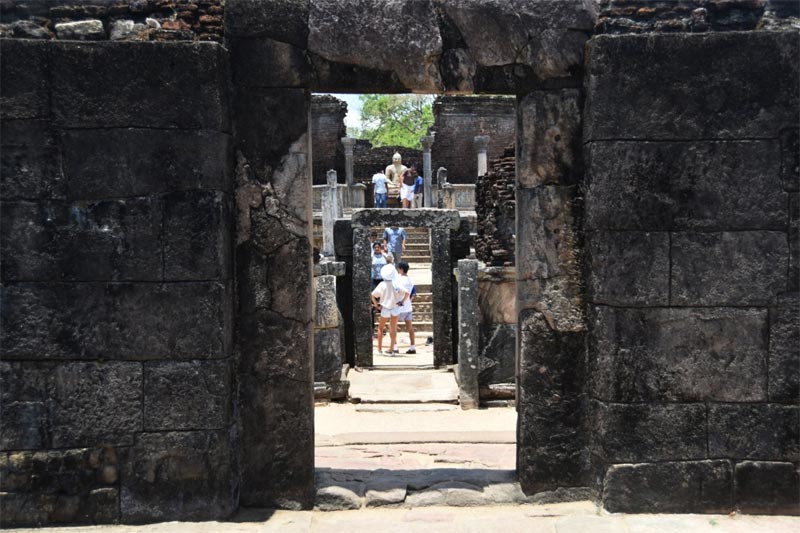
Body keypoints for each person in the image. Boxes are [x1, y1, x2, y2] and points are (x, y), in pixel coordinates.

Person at [371, 264, 408, 355]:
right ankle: (391, 349)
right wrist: (402, 302)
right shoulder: (396, 284)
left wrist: (376, 305)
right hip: (395, 308)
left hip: (385, 308)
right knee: (393, 329)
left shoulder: (382, 284)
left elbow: (372, 295)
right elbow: (407, 293)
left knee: (380, 328)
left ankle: (379, 349)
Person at [395, 261, 417, 354]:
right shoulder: (411, 280)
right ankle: (412, 347)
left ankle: (395, 347)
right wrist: (408, 301)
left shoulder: (398, 280)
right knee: (410, 328)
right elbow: (413, 293)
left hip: (398, 306)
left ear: (401, 269)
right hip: (408, 307)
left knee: (393, 327)